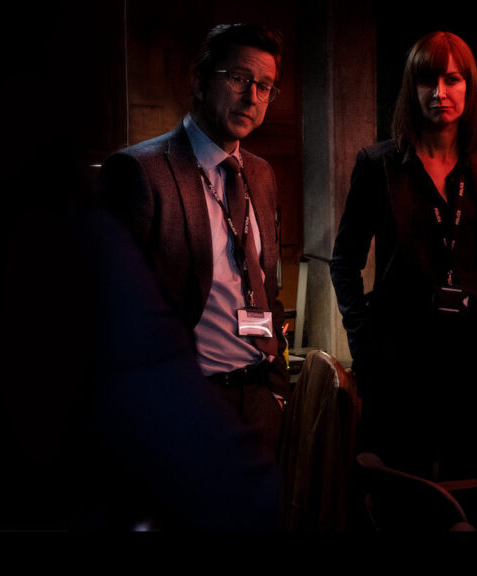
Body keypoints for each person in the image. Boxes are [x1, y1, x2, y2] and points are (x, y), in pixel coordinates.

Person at [98, 23, 289, 457]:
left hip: (260, 402)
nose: (252, 97)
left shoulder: (261, 174)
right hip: (184, 405)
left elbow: (266, 286)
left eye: (264, 87)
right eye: (239, 79)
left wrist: (276, 391)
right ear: (200, 81)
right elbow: (109, 310)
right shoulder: (140, 172)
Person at [330, 31, 477, 486]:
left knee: (474, 482)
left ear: (469, 86)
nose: (440, 92)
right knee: (400, 486)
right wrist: (362, 339)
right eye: (427, 80)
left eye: (452, 80)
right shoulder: (379, 164)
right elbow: (344, 261)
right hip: (400, 353)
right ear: (411, 88)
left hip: (473, 349)